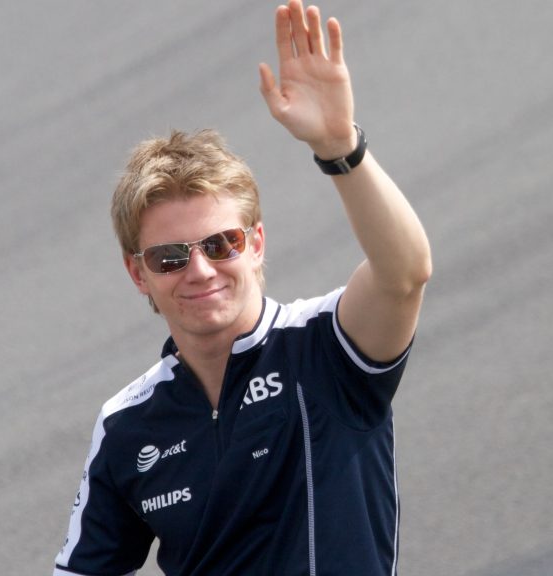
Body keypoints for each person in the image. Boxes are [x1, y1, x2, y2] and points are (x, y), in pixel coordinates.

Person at [53, 1, 431, 574]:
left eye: (221, 244)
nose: (200, 270)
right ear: (139, 275)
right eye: (170, 257)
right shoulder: (127, 425)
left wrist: (339, 149)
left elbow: (404, 273)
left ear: (256, 244)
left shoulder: (327, 347)